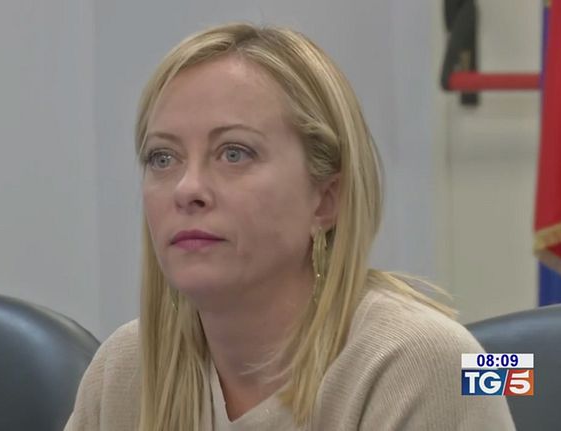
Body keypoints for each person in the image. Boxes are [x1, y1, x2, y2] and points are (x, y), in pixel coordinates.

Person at [65, 22, 515, 430]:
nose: (187, 188)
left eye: (234, 153)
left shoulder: (427, 365)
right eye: (163, 158)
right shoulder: (126, 368)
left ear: (326, 199)